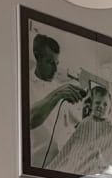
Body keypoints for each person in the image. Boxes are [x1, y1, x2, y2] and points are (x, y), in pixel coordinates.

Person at [46, 84, 112, 178]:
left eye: (105, 104)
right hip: (79, 166)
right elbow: (70, 147)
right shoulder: (85, 123)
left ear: (109, 108)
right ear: (91, 105)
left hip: (98, 169)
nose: (101, 106)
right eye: (97, 103)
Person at [27, 33, 83, 168]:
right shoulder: (25, 84)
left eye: (57, 63)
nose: (55, 69)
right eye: (50, 62)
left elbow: (75, 122)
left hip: (63, 164)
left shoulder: (58, 86)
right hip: (38, 166)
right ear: (37, 56)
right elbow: (29, 120)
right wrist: (57, 94)